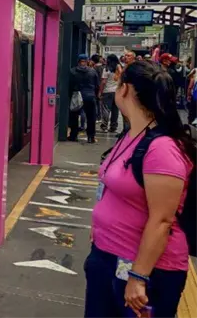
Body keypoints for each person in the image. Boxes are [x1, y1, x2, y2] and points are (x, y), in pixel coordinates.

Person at [85, 60, 194, 318]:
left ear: (125, 90)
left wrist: (138, 276)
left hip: (143, 272)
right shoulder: (133, 135)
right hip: (108, 257)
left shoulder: (162, 149)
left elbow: (163, 220)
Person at [70, 54, 99, 143]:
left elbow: (69, 85)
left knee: (74, 116)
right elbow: (97, 85)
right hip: (90, 97)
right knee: (91, 117)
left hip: (77, 96)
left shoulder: (72, 71)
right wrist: (95, 95)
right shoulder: (92, 71)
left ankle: (73, 135)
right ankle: (91, 137)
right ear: (87, 61)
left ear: (78, 61)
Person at [100, 54, 120, 133]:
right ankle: (113, 127)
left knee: (106, 109)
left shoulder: (106, 69)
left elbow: (103, 81)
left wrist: (100, 92)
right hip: (117, 92)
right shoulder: (119, 68)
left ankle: (104, 126)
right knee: (115, 110)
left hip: (107, 91)